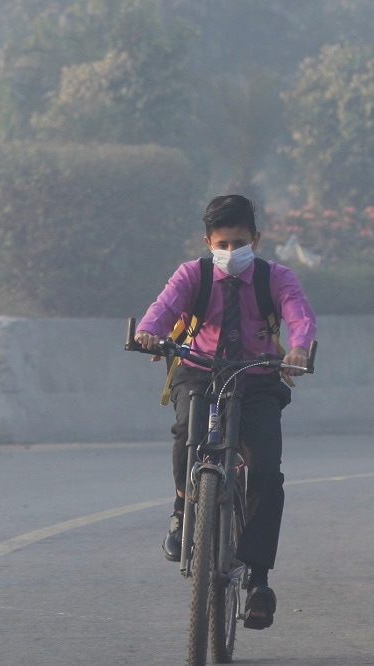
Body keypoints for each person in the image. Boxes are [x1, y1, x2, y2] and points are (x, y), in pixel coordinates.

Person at [134, 194, 316, 631]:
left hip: (257, 378)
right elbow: (163, 309)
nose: (232, 252)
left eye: (240, 242)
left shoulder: (276, 277)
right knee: (185, 432)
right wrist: (147, 333)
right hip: (199, 373)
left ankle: (258, 580)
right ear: (208, 242)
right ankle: (183, 509)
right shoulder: (191, 275)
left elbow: (300, 315)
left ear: (256, 238)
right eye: (223, 243)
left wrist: (298, 348)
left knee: (267, 473)